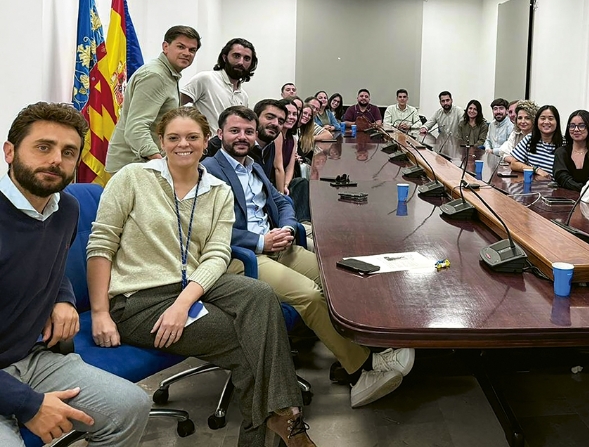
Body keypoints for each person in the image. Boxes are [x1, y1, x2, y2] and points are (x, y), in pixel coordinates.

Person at [86, 107, 316, 447]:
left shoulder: (218, 191)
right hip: (139, 301)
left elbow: (217, 254)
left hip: (192, 288)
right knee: (251, 349)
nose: (183, 144)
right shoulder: (132, 178)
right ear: (160, 141)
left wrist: (183, 302)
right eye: (174, 138)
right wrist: (101, 312)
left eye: (192, 137)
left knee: (260, 293)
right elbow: (100, 245)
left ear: (206, 140)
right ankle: (286, 422)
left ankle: (285, 418)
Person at [203, 106, 415, 409]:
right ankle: (361, 372)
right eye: (235, 131)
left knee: (337, 277)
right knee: (310, 295)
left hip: (278, 245)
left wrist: (288, 225)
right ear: (220, 133)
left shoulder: (252, 164)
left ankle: (372, 347)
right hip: (244, 256)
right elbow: (209, 230)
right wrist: (261, 240)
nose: (242, 137)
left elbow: (280, 199)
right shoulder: (210, 170)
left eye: (248, 132)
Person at [1, 102, 151, 447]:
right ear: (10, 152)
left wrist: (63, 298)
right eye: (43, 147)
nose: (56, 159)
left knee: (131, 407)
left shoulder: (65, 208)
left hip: (33, 357)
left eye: (68, 152)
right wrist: (28, 405)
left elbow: (50, 264)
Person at [106, 25, 201, 174]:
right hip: (133, 166)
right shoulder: (156, 76)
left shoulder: (169, 74)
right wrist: (160, 163)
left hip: (143, 164)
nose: (186, 53)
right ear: (165, 47)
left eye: (192, 50)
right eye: (181, 47)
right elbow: (136, 127)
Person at [180, 37, 256, 129]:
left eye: (247, 59)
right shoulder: (206, 79)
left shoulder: (243, 96)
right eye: (236, 56)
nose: (241, 62)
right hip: (204, 142)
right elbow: (174, 104)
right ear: (224, 57)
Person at [553, 110, 589, 191]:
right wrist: (585, 190)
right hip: (566, 199)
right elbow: (561, 177)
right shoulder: (561, 152)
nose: (576, 129)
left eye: (581, 126)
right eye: (572, 126)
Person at [508, 105, 563, 177]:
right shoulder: (529, 139)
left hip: (557, 187)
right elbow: (514, 164)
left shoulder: (564, 143)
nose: (546, 122)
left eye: (550, 119)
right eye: (542, 118)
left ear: (557, 122)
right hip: (533, 186)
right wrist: (536, 170)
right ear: (537, 121)